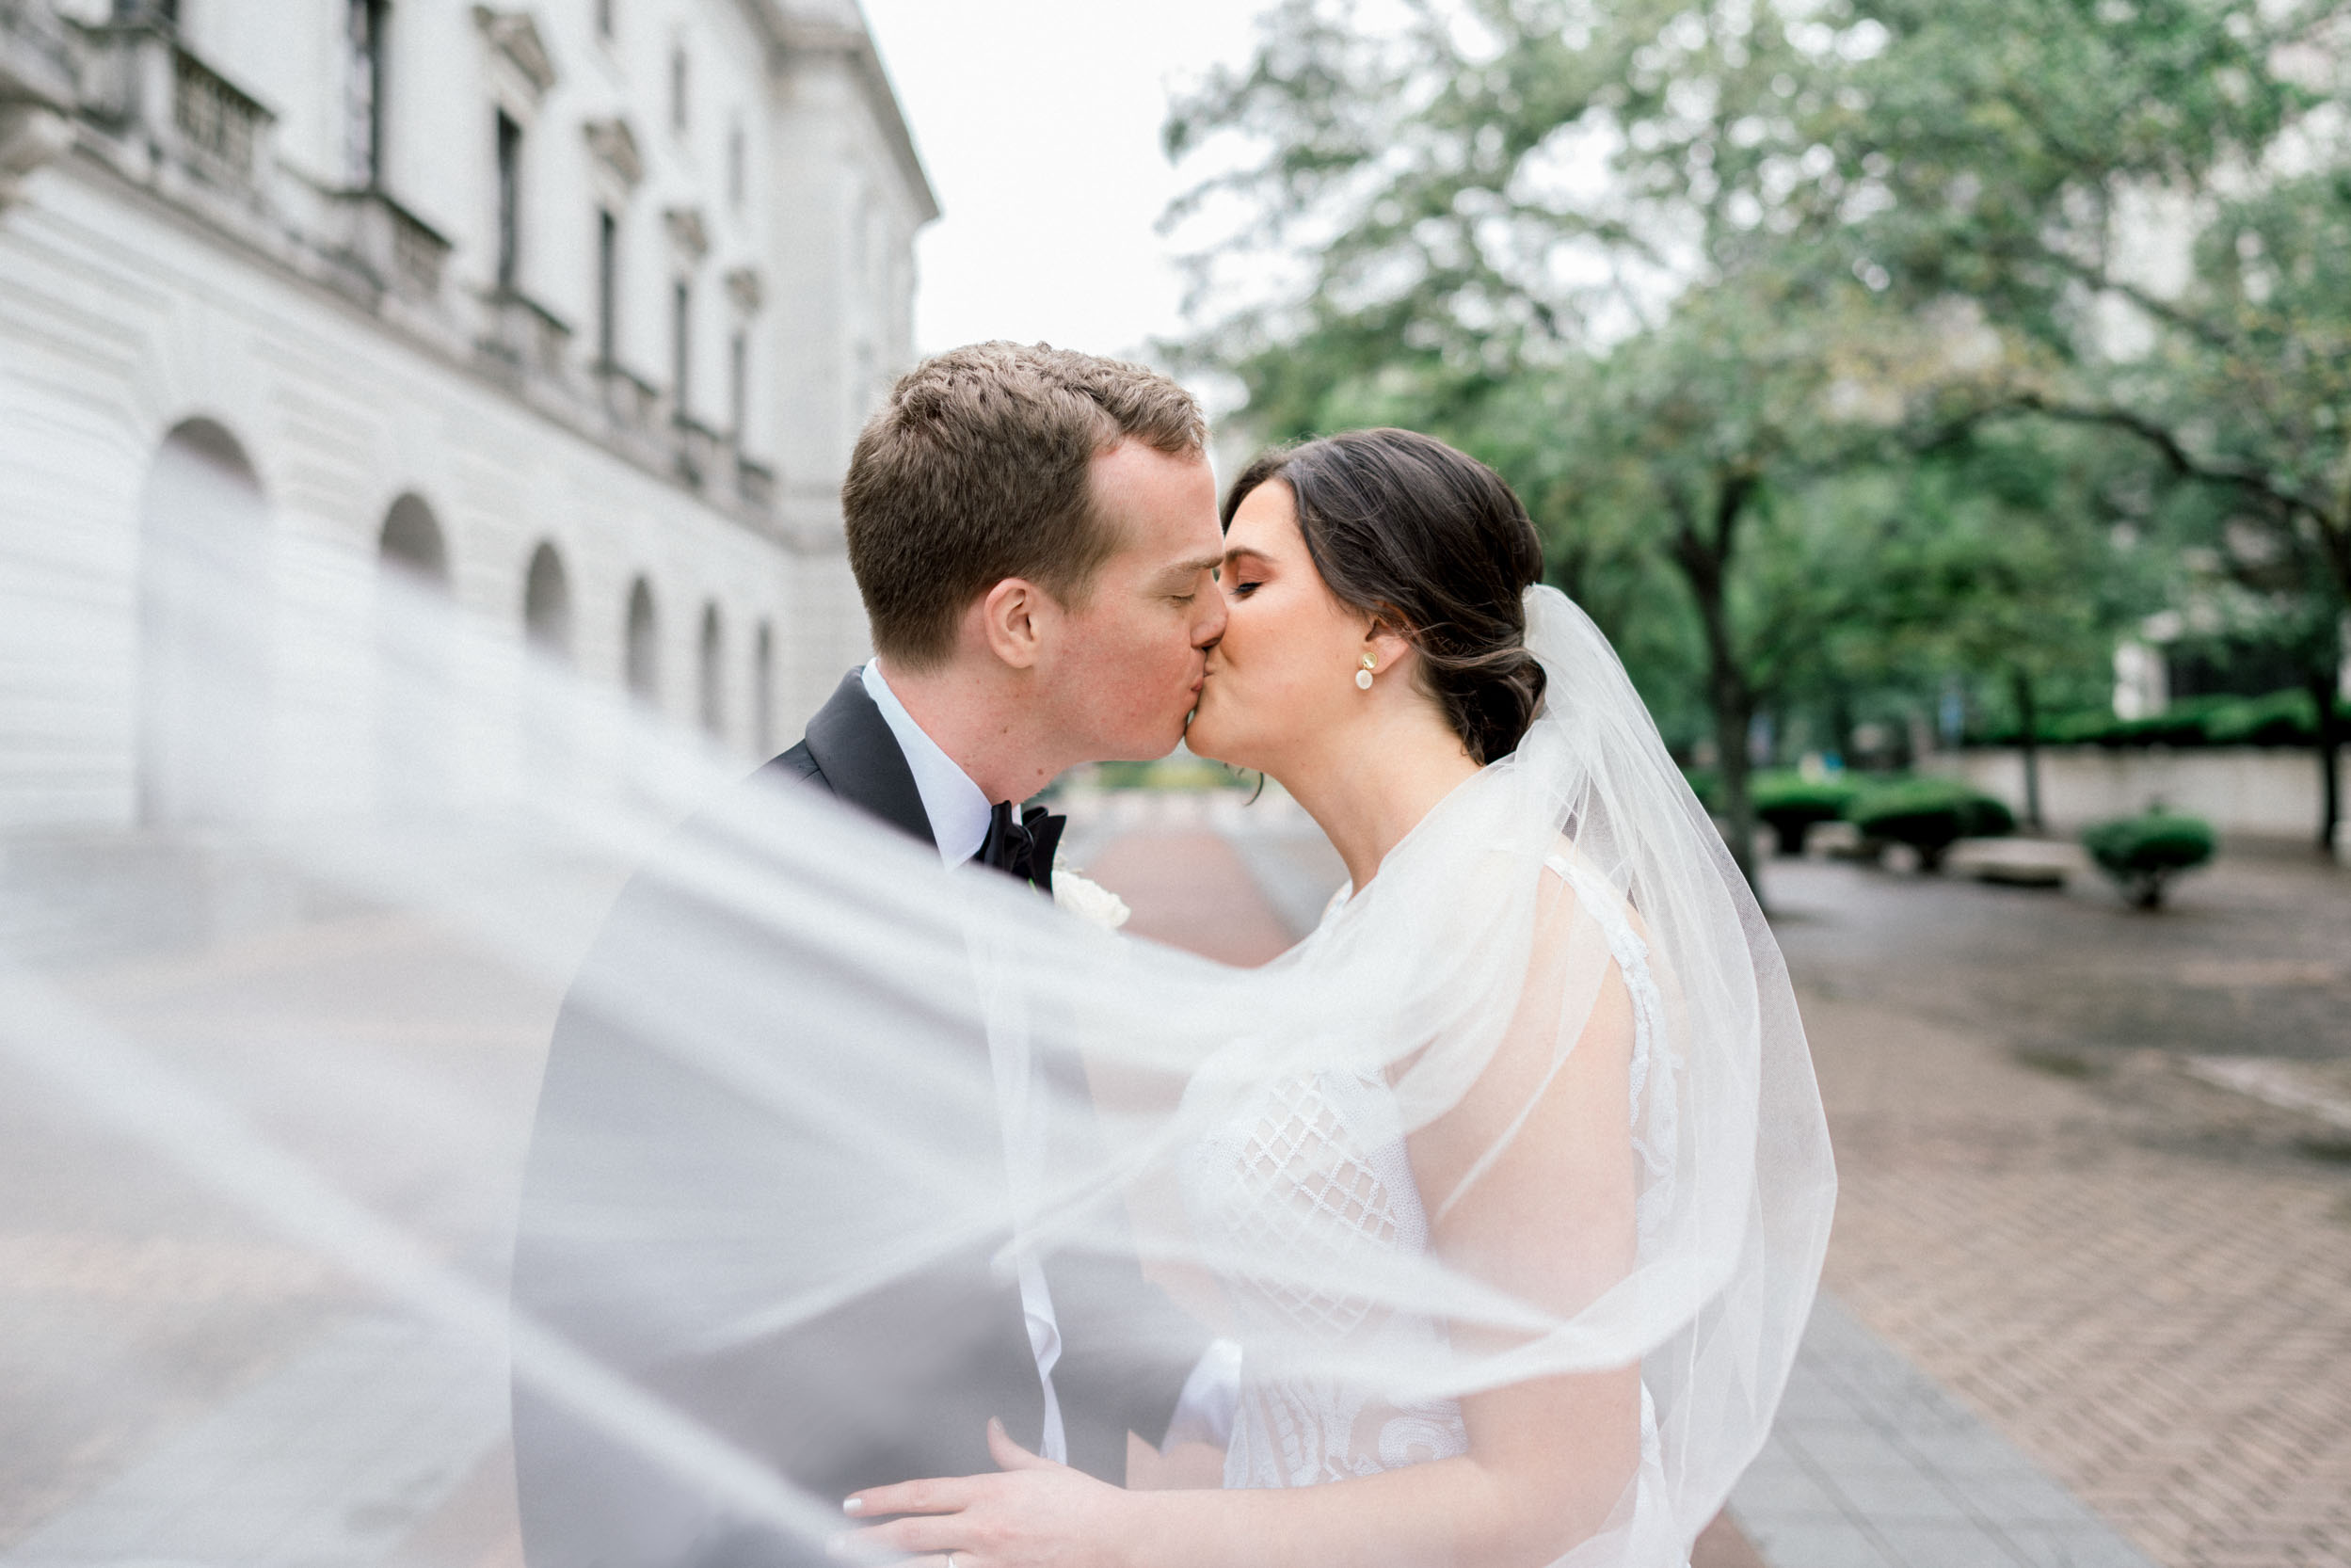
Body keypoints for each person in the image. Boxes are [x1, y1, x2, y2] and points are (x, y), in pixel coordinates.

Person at [833, 429, 1837, 1566]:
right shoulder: (1387, 912)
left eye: (1246, 582)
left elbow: (1554, 1482)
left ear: (1383, 626)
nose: (1202, 619)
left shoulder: (1506, 933)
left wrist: (1123, 1532)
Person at [510, 344, 1245, 1566]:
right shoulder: (732, 902)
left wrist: (1234, 1390)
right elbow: (593, 1382)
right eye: (1180, 593)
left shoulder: (1005, 847)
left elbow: (1041, 1258)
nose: (1215, 626)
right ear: (1019, 620)